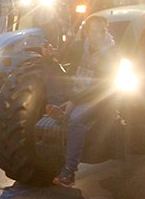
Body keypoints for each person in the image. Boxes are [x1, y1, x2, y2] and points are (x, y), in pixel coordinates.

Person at [50, 14, 120, 188]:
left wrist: (73, 101)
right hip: (75, 93)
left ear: (107, 32)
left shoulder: (112, 53)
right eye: (94, 31)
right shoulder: (79, 47)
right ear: (86, 32)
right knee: (48, 79)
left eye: (102, 31)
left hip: (97, 99)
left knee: (76, 118)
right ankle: (61, 108)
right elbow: (63, 62)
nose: (98, 36)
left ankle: (69, 170)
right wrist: (51, 55)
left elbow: (101, 87)